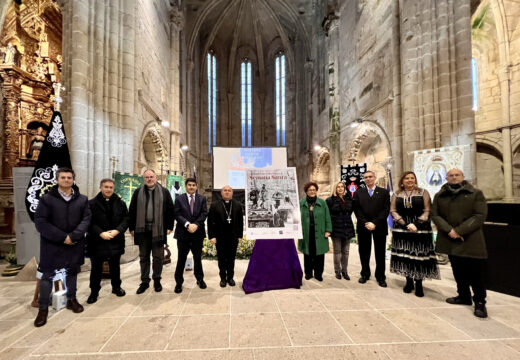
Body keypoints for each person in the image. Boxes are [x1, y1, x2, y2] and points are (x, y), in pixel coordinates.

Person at [33, 167, 91, 327]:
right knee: (47, 275)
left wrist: (72, 236)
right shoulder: (46, 199)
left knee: (72, 272)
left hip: (74, 242)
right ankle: (43, 308)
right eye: (63, 177)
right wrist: (62, 237)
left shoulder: (82, 199)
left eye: (69, 177)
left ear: (73, 180)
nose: (66, 180)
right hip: (52, 244)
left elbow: (86, 219)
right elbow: (40, 222)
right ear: (57, 180)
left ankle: (72, 299)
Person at [431, 168, 488, 318]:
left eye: (457, 175)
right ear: (446, 178)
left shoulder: (475, 193)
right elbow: (435, 215)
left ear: (463, 176)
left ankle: (480, 301)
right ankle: (463, 295)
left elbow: (480, 215)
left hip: (470, 238)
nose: (454, 177)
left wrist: (460, 231)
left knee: (476, 272)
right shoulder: (440, 195)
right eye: (451, 175)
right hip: (451, 238)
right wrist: (449, 230)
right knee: (457, 269)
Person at [389, 171, 440, 297]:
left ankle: (419, 283)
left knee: (419, 256)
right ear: (402, 181)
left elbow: (428, 210)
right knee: (405, 255)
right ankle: (409, 281)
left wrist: (416, 224)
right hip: (402, 229)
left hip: (420, 229)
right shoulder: (396, 194)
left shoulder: (423, 192)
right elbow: (393, 210)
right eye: (407, 178)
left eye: (412, 178)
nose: (410, 180)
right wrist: (405, 224)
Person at [128, 169, 174, 294]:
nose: (149, 179)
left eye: (151, 177)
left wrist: (170, 226)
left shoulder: (164, 192)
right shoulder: (138, 192)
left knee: (158, 257)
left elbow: (170, 209)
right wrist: (131, 228)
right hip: (142, 231)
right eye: (147, 177)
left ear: (155, 178)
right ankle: (144, 281)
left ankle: (157, 279)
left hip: (158, 230)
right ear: (144, 179)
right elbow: (132, 210)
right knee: (143, 257)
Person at [86, 178, 129, 304]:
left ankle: (116, 287)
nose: (108, 189)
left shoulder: (121, 203)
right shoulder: (91, 203)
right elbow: (89, 221)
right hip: (98, 240)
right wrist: (100, 233)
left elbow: (126, 219)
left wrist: (118, 230)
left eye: (111, 187)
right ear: (101, 187)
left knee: (115, 266)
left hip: (115, 239)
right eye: (106, 187)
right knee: (96, 268)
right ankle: (94, 291)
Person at [353, 170, 390, 287]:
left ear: (375, 178)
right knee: (364, 252)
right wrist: (365, 223)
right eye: (366, 177)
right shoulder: (359, 192)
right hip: (364, 226)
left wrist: (375, 223)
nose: (368, 179)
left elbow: (386, 210)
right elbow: (357, 210)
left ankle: (380, 276)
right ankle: (365, 273)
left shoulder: (383, 192)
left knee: (380, 252)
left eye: (370, 177)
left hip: (379, 226)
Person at [173, 177, 208, 293]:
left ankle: (200, 279)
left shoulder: (202, 198)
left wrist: (196, 225)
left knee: (197, 258)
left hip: (197, 234)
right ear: (186, 186)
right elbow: (177, 214)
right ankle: (178, 282)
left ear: (196, 187)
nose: (191, 187)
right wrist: (188, 224)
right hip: (183, 234)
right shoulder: (179, 199)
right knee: (181, 259)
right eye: (189, 185)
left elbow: (204, 213)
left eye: (193, 185)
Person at [208, 185, 244, 287]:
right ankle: (223, 278)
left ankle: (230, 278)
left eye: (229, 191)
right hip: (220, 237)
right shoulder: (215, 205)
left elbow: (240, 222)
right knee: (221, 259)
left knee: (231, 259)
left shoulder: (237, 205)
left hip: (233, 237)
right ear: (221, 193)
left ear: (232, 193)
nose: (227, 192)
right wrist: (212, 236)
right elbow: (210, 222)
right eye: (225, 190)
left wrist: (240, 235)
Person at [298, 182, 332, 281]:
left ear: (316, 191)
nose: (312, 191)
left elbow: (327, 217)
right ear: (306, 192)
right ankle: (308, 273)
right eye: (310, 190)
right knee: (307, 254)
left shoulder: (322, 203)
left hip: (320, 232)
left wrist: (328, 230)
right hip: (306, 232)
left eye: (314, 190)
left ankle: (318, 274)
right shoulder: (301, 203)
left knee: (319, 254)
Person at [326, 181, 355, 280]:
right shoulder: (330, 200)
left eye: (342, 187)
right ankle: (337, 270)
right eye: (338, 187)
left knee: (346, 251)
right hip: (336, 228)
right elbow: (327, 216)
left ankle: (345, 271)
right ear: (335, 188)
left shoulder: (349, 199)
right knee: (337, 251)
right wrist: (328, 228)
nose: (340, 188)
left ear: (344, 188)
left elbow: (352, 211)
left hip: (348, 227)